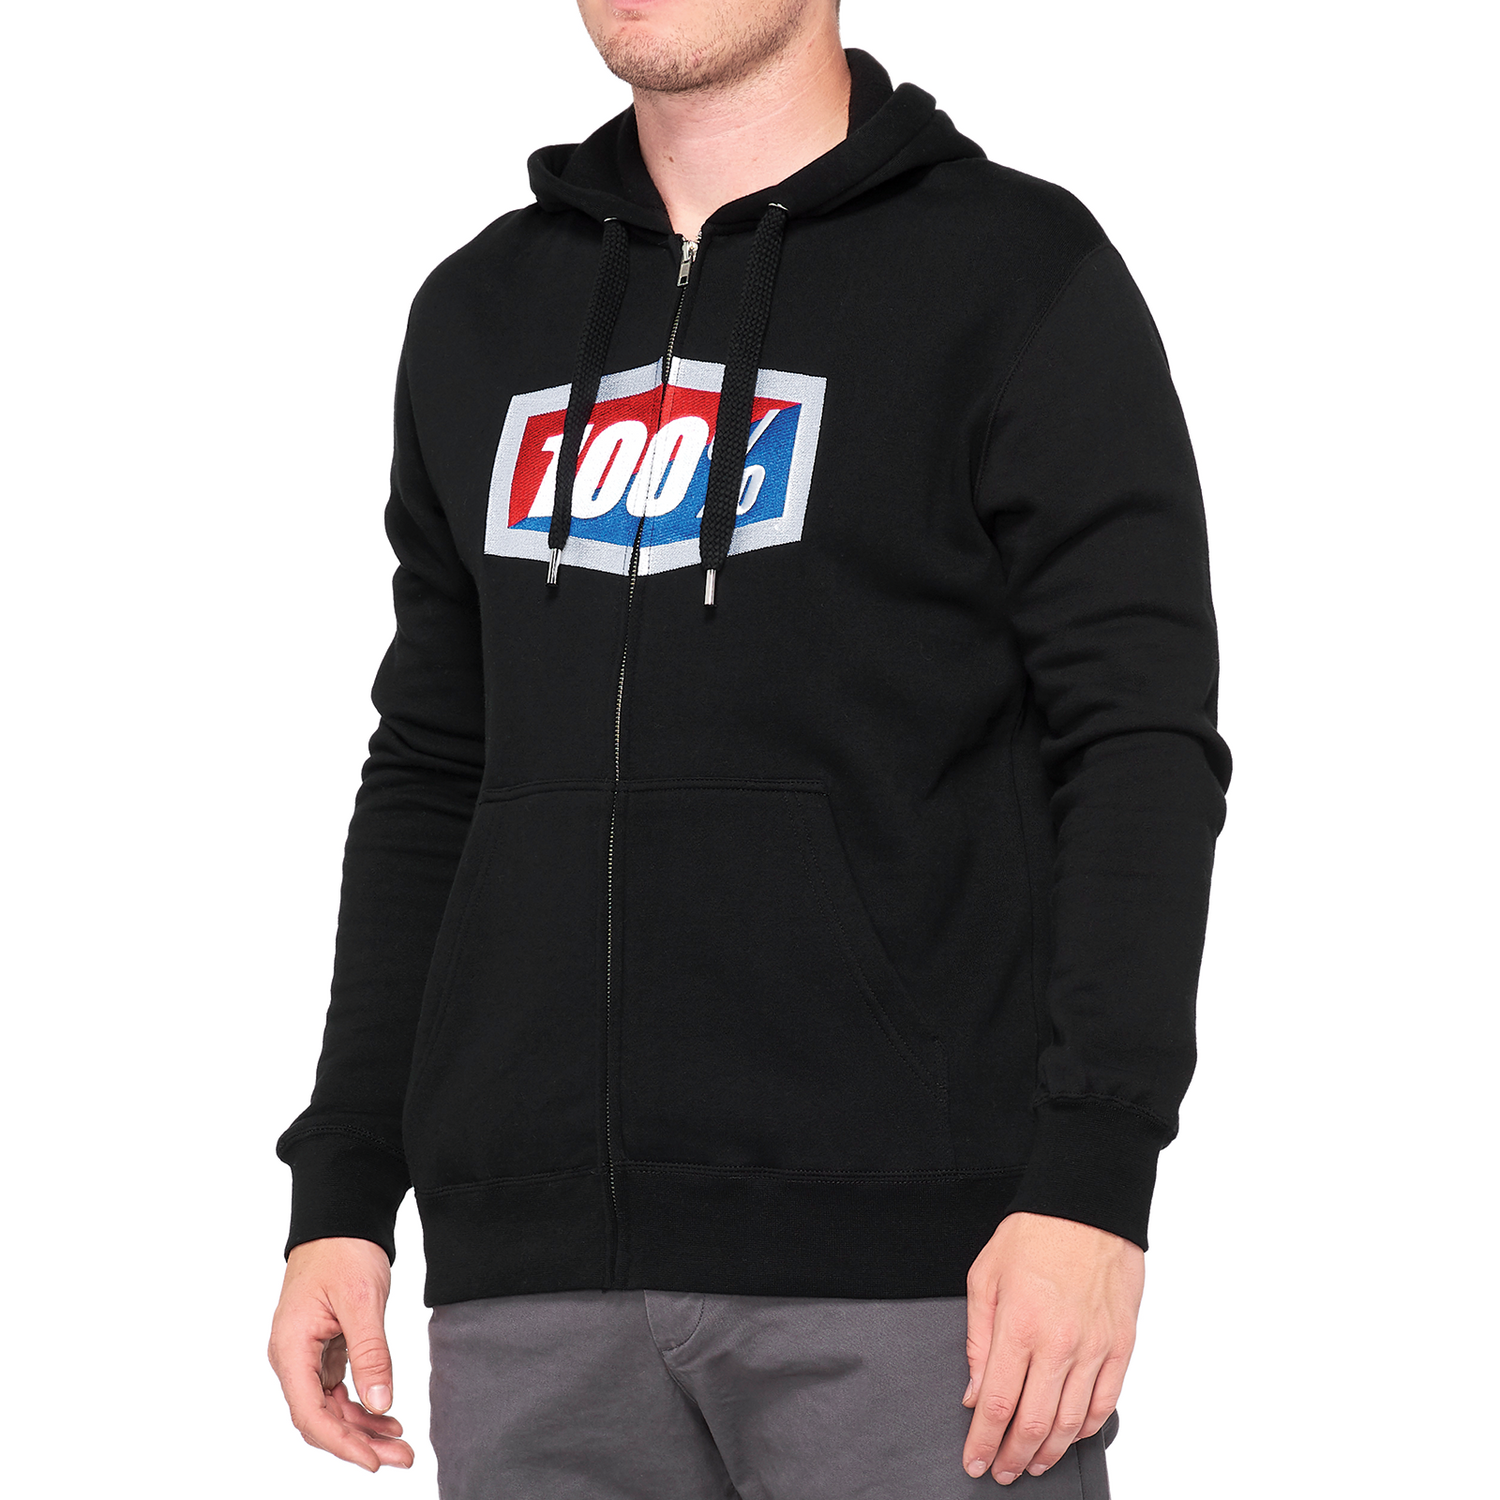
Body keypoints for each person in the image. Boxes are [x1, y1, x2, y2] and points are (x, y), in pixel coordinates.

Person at [269, 2, 1230, 1494]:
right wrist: (342, 1188)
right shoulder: (481, 311)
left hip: (925, 1271)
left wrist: (1096, 1184)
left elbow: (1139, 745)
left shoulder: (1012, 272)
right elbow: (434, 769)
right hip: (534, 1284)